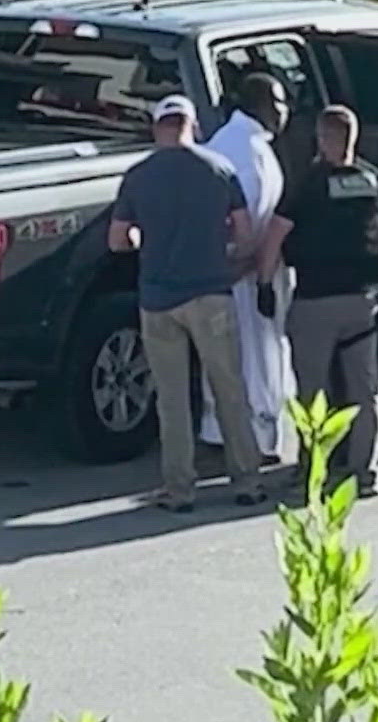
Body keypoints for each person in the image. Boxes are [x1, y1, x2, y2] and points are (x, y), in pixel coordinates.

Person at [108, 94, 267, 513]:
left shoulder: (137, 177)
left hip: (158, 299)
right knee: (230, 389)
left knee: (172, 399)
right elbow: (246, 233)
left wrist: (146, 241)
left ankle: (179, 489)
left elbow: (118, 240)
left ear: (156, 128)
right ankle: (247, 480)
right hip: (212, 294)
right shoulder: (219, 169)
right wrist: (230, 257)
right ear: (192, 126)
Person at [257, 105, 378, 498]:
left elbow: (276, 232)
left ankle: (313, 471)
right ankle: (366, 473)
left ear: (323, 138)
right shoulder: (374, 180)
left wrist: (263, 283)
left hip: (314, 302)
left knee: (313, 392)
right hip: (363, 302)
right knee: (365, 391)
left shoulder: (308, 183)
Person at [197, 74, 296, 464]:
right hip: (247, 273)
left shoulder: (228, 141)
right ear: (263, 105)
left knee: (228, 355)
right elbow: (249, 219)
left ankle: (221, 430)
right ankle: (257, 436)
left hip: (228, 270)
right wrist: (249, 264)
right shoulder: (248, 151)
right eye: (280, 102)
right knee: (257, 354)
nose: (285, 111)